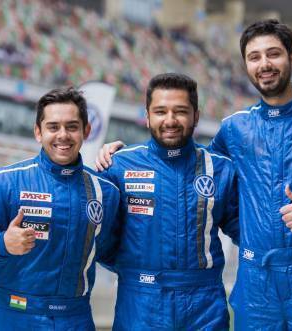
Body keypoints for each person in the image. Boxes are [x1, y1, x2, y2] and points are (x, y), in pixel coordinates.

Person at [96, 20, 292, 331]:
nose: (264, 64)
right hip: (255, 283)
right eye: (254, 57)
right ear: (246, 65)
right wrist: (121, 155)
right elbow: (191, 169)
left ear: (291, 58)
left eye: (273, 54)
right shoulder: (235, 129)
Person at [0, 86, 120, 331]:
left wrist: (126, 160)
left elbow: (115, 253)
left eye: (72, 126)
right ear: (38, 132)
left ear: (86, 131)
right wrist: (3, 243)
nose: (62, 135)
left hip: (75, 319)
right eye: (53, 127)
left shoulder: (105, 192)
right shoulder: (5, 182)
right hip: (15, 317)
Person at [98, 73, 240, 330]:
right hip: (140, 305)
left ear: (196, 116)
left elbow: (250, 232)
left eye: (181, 111)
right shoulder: (117, 165)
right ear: (147, 115)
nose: (170, 120)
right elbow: (96, 233)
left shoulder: (221, 169)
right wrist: (132, 269)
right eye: (161, 111)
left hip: (205, 307)